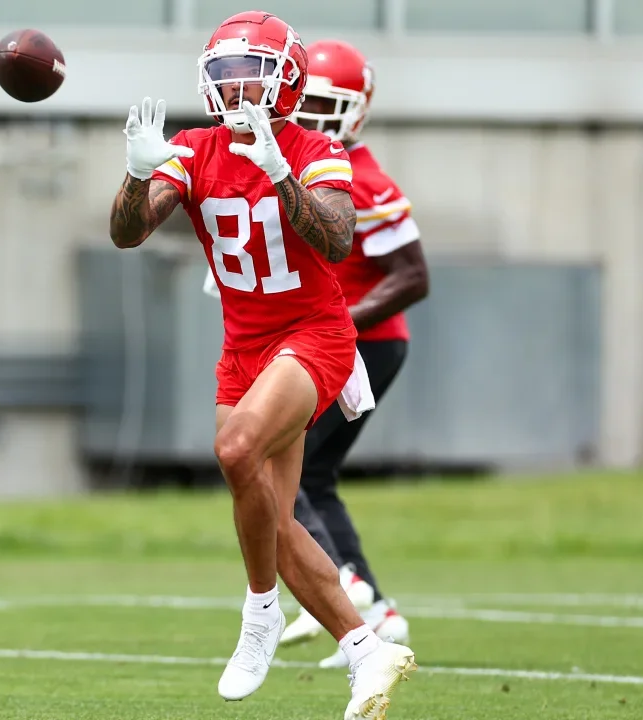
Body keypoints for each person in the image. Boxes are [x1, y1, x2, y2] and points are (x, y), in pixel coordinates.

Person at [108, 11, 416, 719]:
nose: (236, 88)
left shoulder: (314, 147)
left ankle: (258, 616)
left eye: (251, 73)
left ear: (287, 82)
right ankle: (368, 651)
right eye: (223, 74)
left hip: (314, 333)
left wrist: (280, 172)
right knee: (270, 515)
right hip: (243, 348)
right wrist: (135, 173)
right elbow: (129, 233)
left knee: (234, 447)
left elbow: (338, 241)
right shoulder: (193, 147)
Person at [203, 39, 429, 666]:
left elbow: (413, 275)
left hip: (354, 343)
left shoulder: (342, 167)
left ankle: (344, 593)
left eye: (337, 105)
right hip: (301, 340)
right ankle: (369, 611)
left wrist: (333, 329)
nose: (324, 117)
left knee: (270, 470)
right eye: (318, 103)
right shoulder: (260, 153)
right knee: (303, 478)